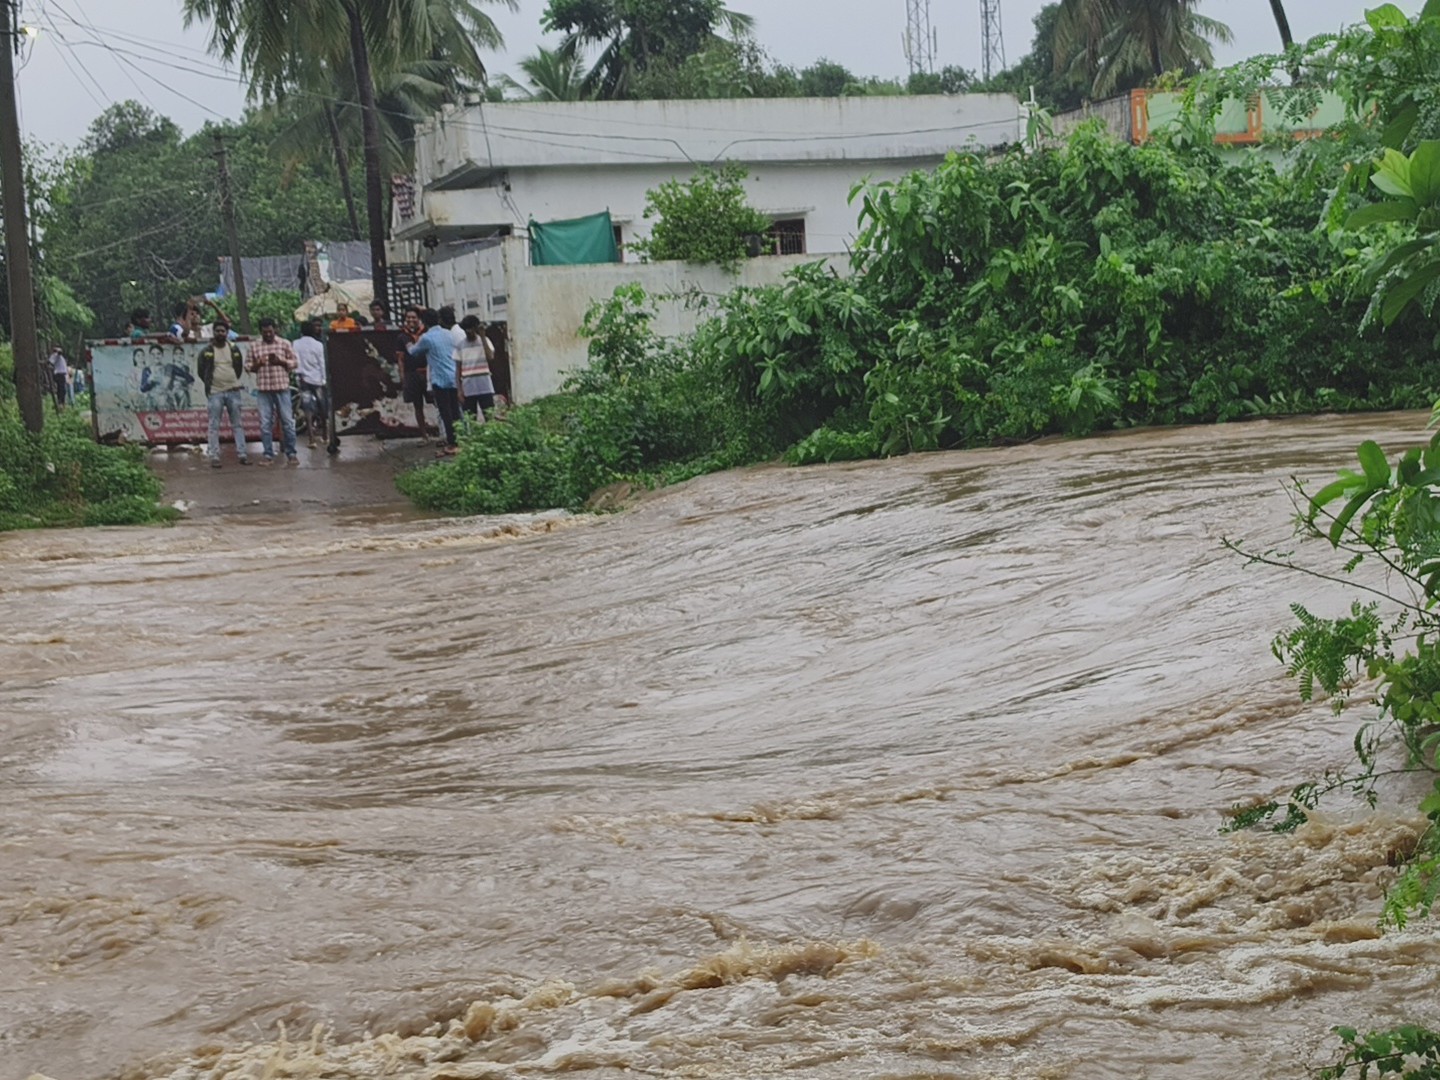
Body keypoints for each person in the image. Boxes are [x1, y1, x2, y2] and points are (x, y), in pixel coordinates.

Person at [245, 317, 299, 465]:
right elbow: (248, 366)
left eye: (270, 331)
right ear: (260, 332)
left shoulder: (284, 343)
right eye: (265, 332)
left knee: (288, 422)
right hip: (264, 390)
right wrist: (258, 364)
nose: (268, 334)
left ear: (275, 330)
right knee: (265, 424)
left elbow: (295, 362)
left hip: (282, 388)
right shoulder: (254, 346)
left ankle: (291, 453)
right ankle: (268, 455)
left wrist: (280, 362)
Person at [198, 320, 251, 468]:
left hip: (233, 391)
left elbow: (238, 368)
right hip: (215, 392)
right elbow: (201, 371)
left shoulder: (234, 349)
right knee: (214, 425)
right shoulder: (206, 351)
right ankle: (214, 456)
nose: (220, 333)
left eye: (223, 331)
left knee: (237, 424)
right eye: (218, 331)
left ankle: (242, 455)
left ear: (227, 333)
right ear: (213, 332)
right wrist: (211, 384)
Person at [407, 307, 460, 455]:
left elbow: (413, 352)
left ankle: (452, 442)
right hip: (453, 376)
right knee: (455, 410)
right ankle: (459, 439)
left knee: (445, 412)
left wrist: (409, 344)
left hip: (439, 379)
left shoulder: (427, 338)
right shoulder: (448, 334)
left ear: (424, 322)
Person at [396, 305, 430, 441]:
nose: (411, 320)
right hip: (412, 374)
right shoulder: (402, 336)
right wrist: (403, 377)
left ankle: (444, 433)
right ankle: (424, 435)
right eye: (408, 317)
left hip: (428, 372)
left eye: (414, 317)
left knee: (437, 403)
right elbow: (400, 359)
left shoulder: (426, 332)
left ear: (419, 319)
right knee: (417, 405)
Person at [293, 320, 328, 449]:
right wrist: (324, 379)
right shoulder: (318, 345)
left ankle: (311, 439)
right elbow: (322, 363)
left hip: (304, 380)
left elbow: (296, 361)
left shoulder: (296, 344)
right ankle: (325, 435)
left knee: (307, 408)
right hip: (318, 380)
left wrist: (298, 375)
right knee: (322, 406)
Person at [456, 316, 496, 422]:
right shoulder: (460, 345)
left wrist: (483, 337)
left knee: (489, 417)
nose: (468, 332)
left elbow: (490, 357)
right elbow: (458, 369)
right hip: (468, 387)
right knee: (470, 419)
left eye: (471, 328)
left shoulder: (485, 341)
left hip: (485, 386)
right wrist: (459, 390)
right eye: (466, 329)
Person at [48, 344, 69, 411]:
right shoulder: (55, 355)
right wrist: (57, 351)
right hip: (59, 374)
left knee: (62, 389)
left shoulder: (60, 356)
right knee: (61, 389)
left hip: (62, 374)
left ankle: (62, 402)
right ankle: (60, 402)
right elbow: (50, 362)